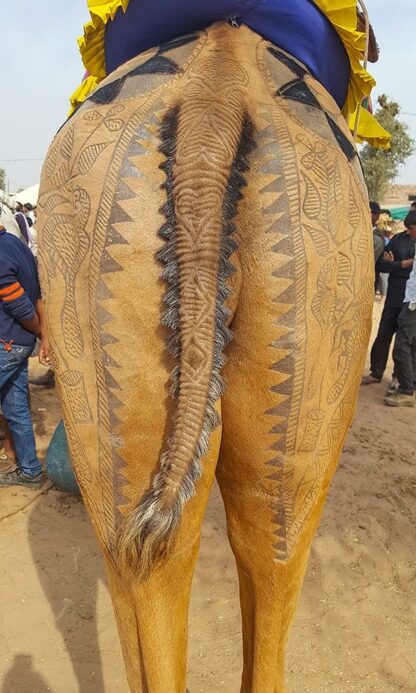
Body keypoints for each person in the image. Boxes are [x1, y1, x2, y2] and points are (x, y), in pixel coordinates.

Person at [0, 222, 48, 488]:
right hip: (17, 343)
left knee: (15, 408)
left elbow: (21, 306)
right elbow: (37, 296)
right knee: (15, 408)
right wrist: (41, 335)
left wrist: (38, 330)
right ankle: (30, 471)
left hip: (6, 343)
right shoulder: (16, 244)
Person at [362, 210, 416, 386]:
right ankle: (376, 372)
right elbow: (382, 265)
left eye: (411, 228)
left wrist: (396, 264)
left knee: (406, 341)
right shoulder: (398, 240)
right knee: (384, 333)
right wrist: (402, 264)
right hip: (395, 295)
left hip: (412, 301)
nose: (408, 231)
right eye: (407, 228)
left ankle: (398, 377)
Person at [385, 244, 416, 407]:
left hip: (413, 303)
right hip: (410, 300)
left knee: (401, 346)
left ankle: (406, 390)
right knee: (412, 346)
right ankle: (410, 386)